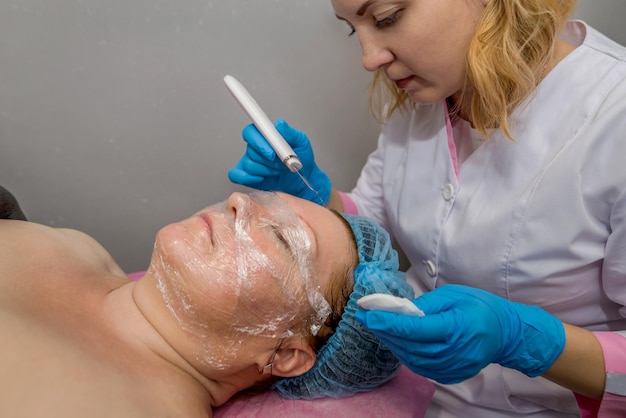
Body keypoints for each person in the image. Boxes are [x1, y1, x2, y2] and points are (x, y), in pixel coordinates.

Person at [227, 0, 626, 416]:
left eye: (387, 18)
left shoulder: (614, 118)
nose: (369, 58)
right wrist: (314, 194)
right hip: (408, 392)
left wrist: (526, 340)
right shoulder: (432, 93)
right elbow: (375, 223)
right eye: (352, 29)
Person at [0, 188, 414, 417]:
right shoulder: (82, 250)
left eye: (283, 238)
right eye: (266, 200)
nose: (239, 200)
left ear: (286, 353)